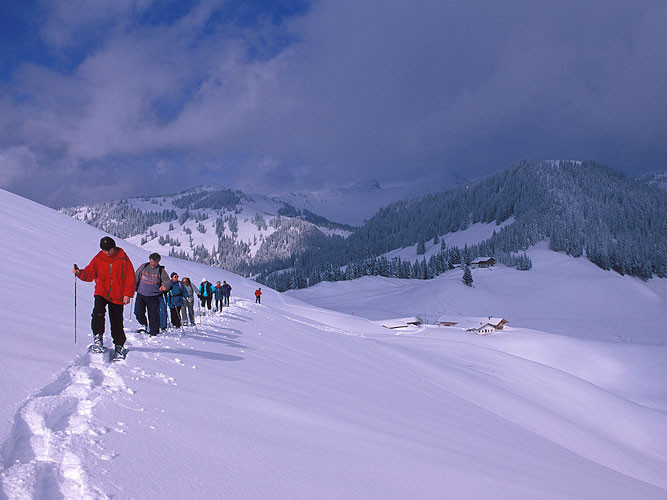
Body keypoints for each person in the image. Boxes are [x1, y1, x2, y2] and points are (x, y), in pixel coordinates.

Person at [73, 236, 135, 360]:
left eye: (109, 250)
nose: (107, 252)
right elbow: (90, 273)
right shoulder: (99, 258)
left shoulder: (123, 258)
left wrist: (127, 294)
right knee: (97, 313)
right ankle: (98, 338)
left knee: (117, 320)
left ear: (114, 248)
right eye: (104, 250)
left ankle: (119, 346)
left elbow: (130, 277)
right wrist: (79, 273)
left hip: (117, 294)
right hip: (101, 291)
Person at [134, 252, 170, 336]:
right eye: (152, 261)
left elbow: (167, 281)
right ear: (149, 260)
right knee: (138, 311)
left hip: (153, 296)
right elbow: (136, 276)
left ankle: (154, 332)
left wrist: (165, 286)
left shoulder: (161, 271)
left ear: (158, 261)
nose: (153, 264)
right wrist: (133, 287)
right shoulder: (144, 266)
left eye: (155, 262)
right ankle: (143, 324)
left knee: (153, 314)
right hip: (141, 293)